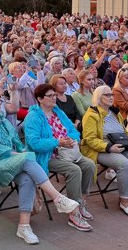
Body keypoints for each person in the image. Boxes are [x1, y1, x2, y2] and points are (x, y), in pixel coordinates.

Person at [0, 85, 80, 244]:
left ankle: (23, 226)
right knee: (27, 158)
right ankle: (58, 198)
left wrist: (20, 152)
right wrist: (13, 153)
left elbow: (18, 144)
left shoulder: (3, 121)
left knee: (27, 176)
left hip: (7, 161)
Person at [24, 84, 95, 231]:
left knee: (89, 165)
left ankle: (81, 202)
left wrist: (71, 140)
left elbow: (73, 130)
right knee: (74, 170)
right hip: (46, 156)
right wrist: (57, 142)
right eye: (49, 96)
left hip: (67, 152)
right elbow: (34, 143)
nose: (54, 98)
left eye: (54, 95)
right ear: (39, 99)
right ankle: (73, 213)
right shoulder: (33, 117)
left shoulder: (57, 112)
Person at [81, 85, 128, 217]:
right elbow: (89, 139)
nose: (111, 97)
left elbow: (124, 132)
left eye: (111, 95)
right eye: (107, 95)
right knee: (124, 164)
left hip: (122, 145)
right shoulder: (91, 115)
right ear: (98, 97)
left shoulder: (114, 112)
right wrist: (108, 147)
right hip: (101, 149)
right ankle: (125, 200)